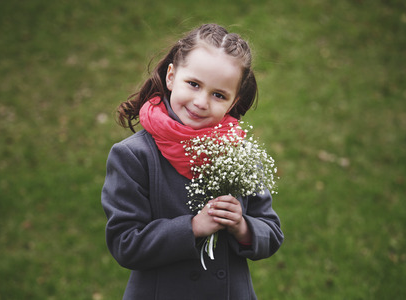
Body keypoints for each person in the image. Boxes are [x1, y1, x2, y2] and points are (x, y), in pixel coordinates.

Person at [101, 23, 284, 300]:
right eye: (194, 84)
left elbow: (271, 233)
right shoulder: (134, 155)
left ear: (233, 103)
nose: (201, 102)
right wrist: (192, 227)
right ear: (172, 77)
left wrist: (242, 226)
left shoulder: (239, 153)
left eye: (219, 95)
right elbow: (125, 243)